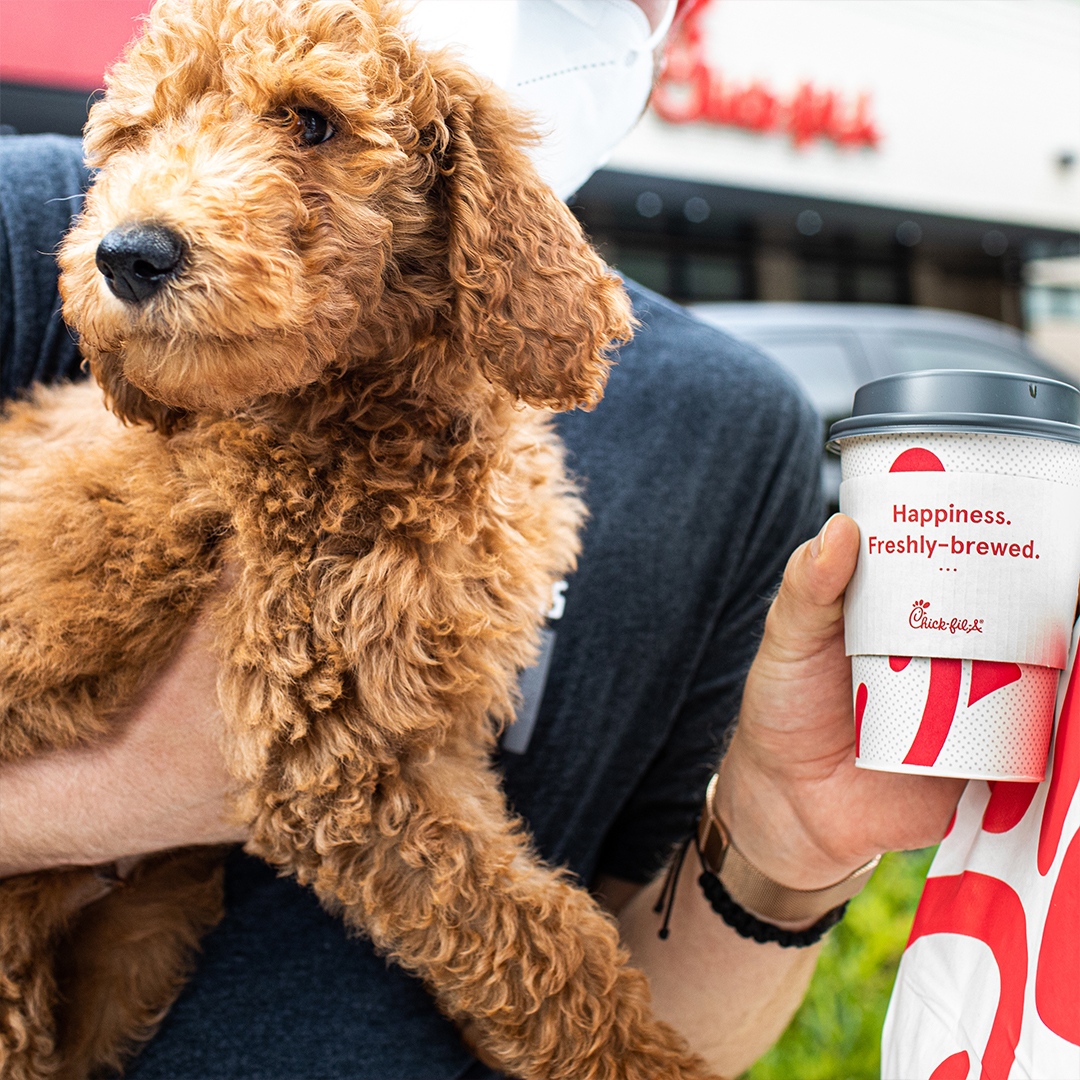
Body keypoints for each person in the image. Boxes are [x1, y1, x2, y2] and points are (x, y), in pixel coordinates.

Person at [0, 2, 967, 1077]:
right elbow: (341, 794)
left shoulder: (732, 433)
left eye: (312, 128)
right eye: (135, 136)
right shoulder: (34, 221)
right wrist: (96, 798)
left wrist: (784, 844)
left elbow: (649, 946)